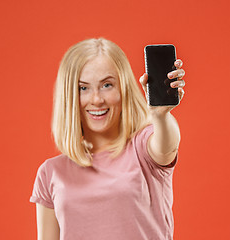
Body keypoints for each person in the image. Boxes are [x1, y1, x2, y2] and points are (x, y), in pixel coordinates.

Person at [30, 38, 186, 240]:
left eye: (107, 85)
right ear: (69, 96)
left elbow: (167, 146)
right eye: (83, 88)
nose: (96, 99)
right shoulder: (51, 172)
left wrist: (161, 116)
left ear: (123, 89)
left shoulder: (143, 148)